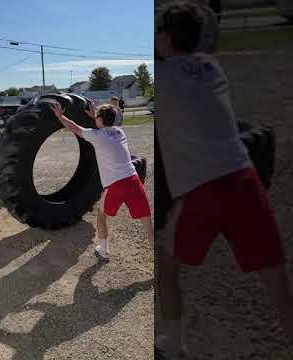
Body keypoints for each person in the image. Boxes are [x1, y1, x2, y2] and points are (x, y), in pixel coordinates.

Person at [154, 1, 292, 358]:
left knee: (167, 263)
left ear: (166, 39)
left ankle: (171, 343)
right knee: (277, 283)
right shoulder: (212, 68)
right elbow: (201, 35)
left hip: (203, 191)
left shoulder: (164, 78)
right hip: (245, 180)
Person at [50, 102, 153, 262]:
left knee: (101, 215)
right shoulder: (120, 132)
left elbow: (75, 128)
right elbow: (106, 127)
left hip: (116, 185)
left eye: (97, 117)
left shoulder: (96, 136)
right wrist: (95, 116)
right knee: (147, 223)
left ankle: (103, 251)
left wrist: (60, 116)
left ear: (100, 119)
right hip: (134, 180)